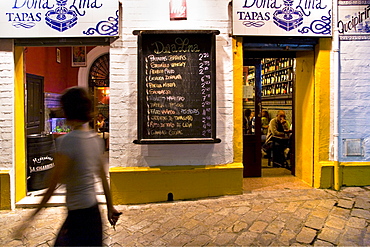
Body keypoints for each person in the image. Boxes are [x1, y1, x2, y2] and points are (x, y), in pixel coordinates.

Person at [14, 87, 121, 246]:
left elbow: (51, 188)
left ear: (67, 111)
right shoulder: (95, 139)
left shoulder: (66, 142)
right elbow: (103, 180)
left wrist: (28, 221)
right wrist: (110, 207)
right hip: (94, 215)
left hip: (77, 218)